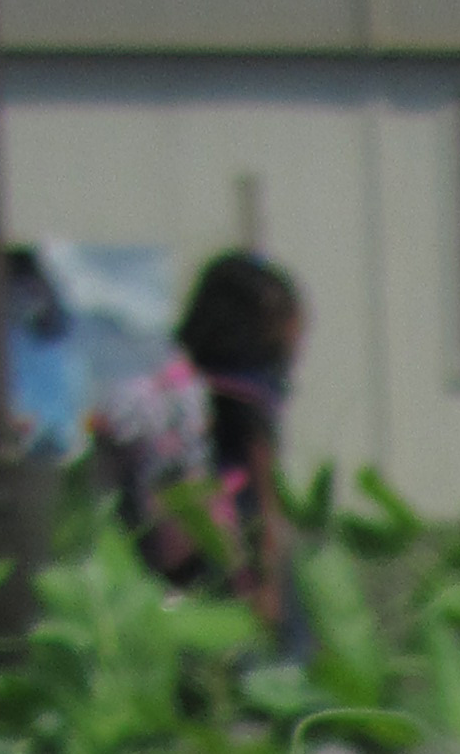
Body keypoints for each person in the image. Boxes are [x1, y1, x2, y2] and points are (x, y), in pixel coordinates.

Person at [92, 249, 304, 622]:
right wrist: (268, 585)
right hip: (224, 556)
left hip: (153, 548)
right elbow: (260, 504)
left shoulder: (170, 380)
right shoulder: (247, 396)